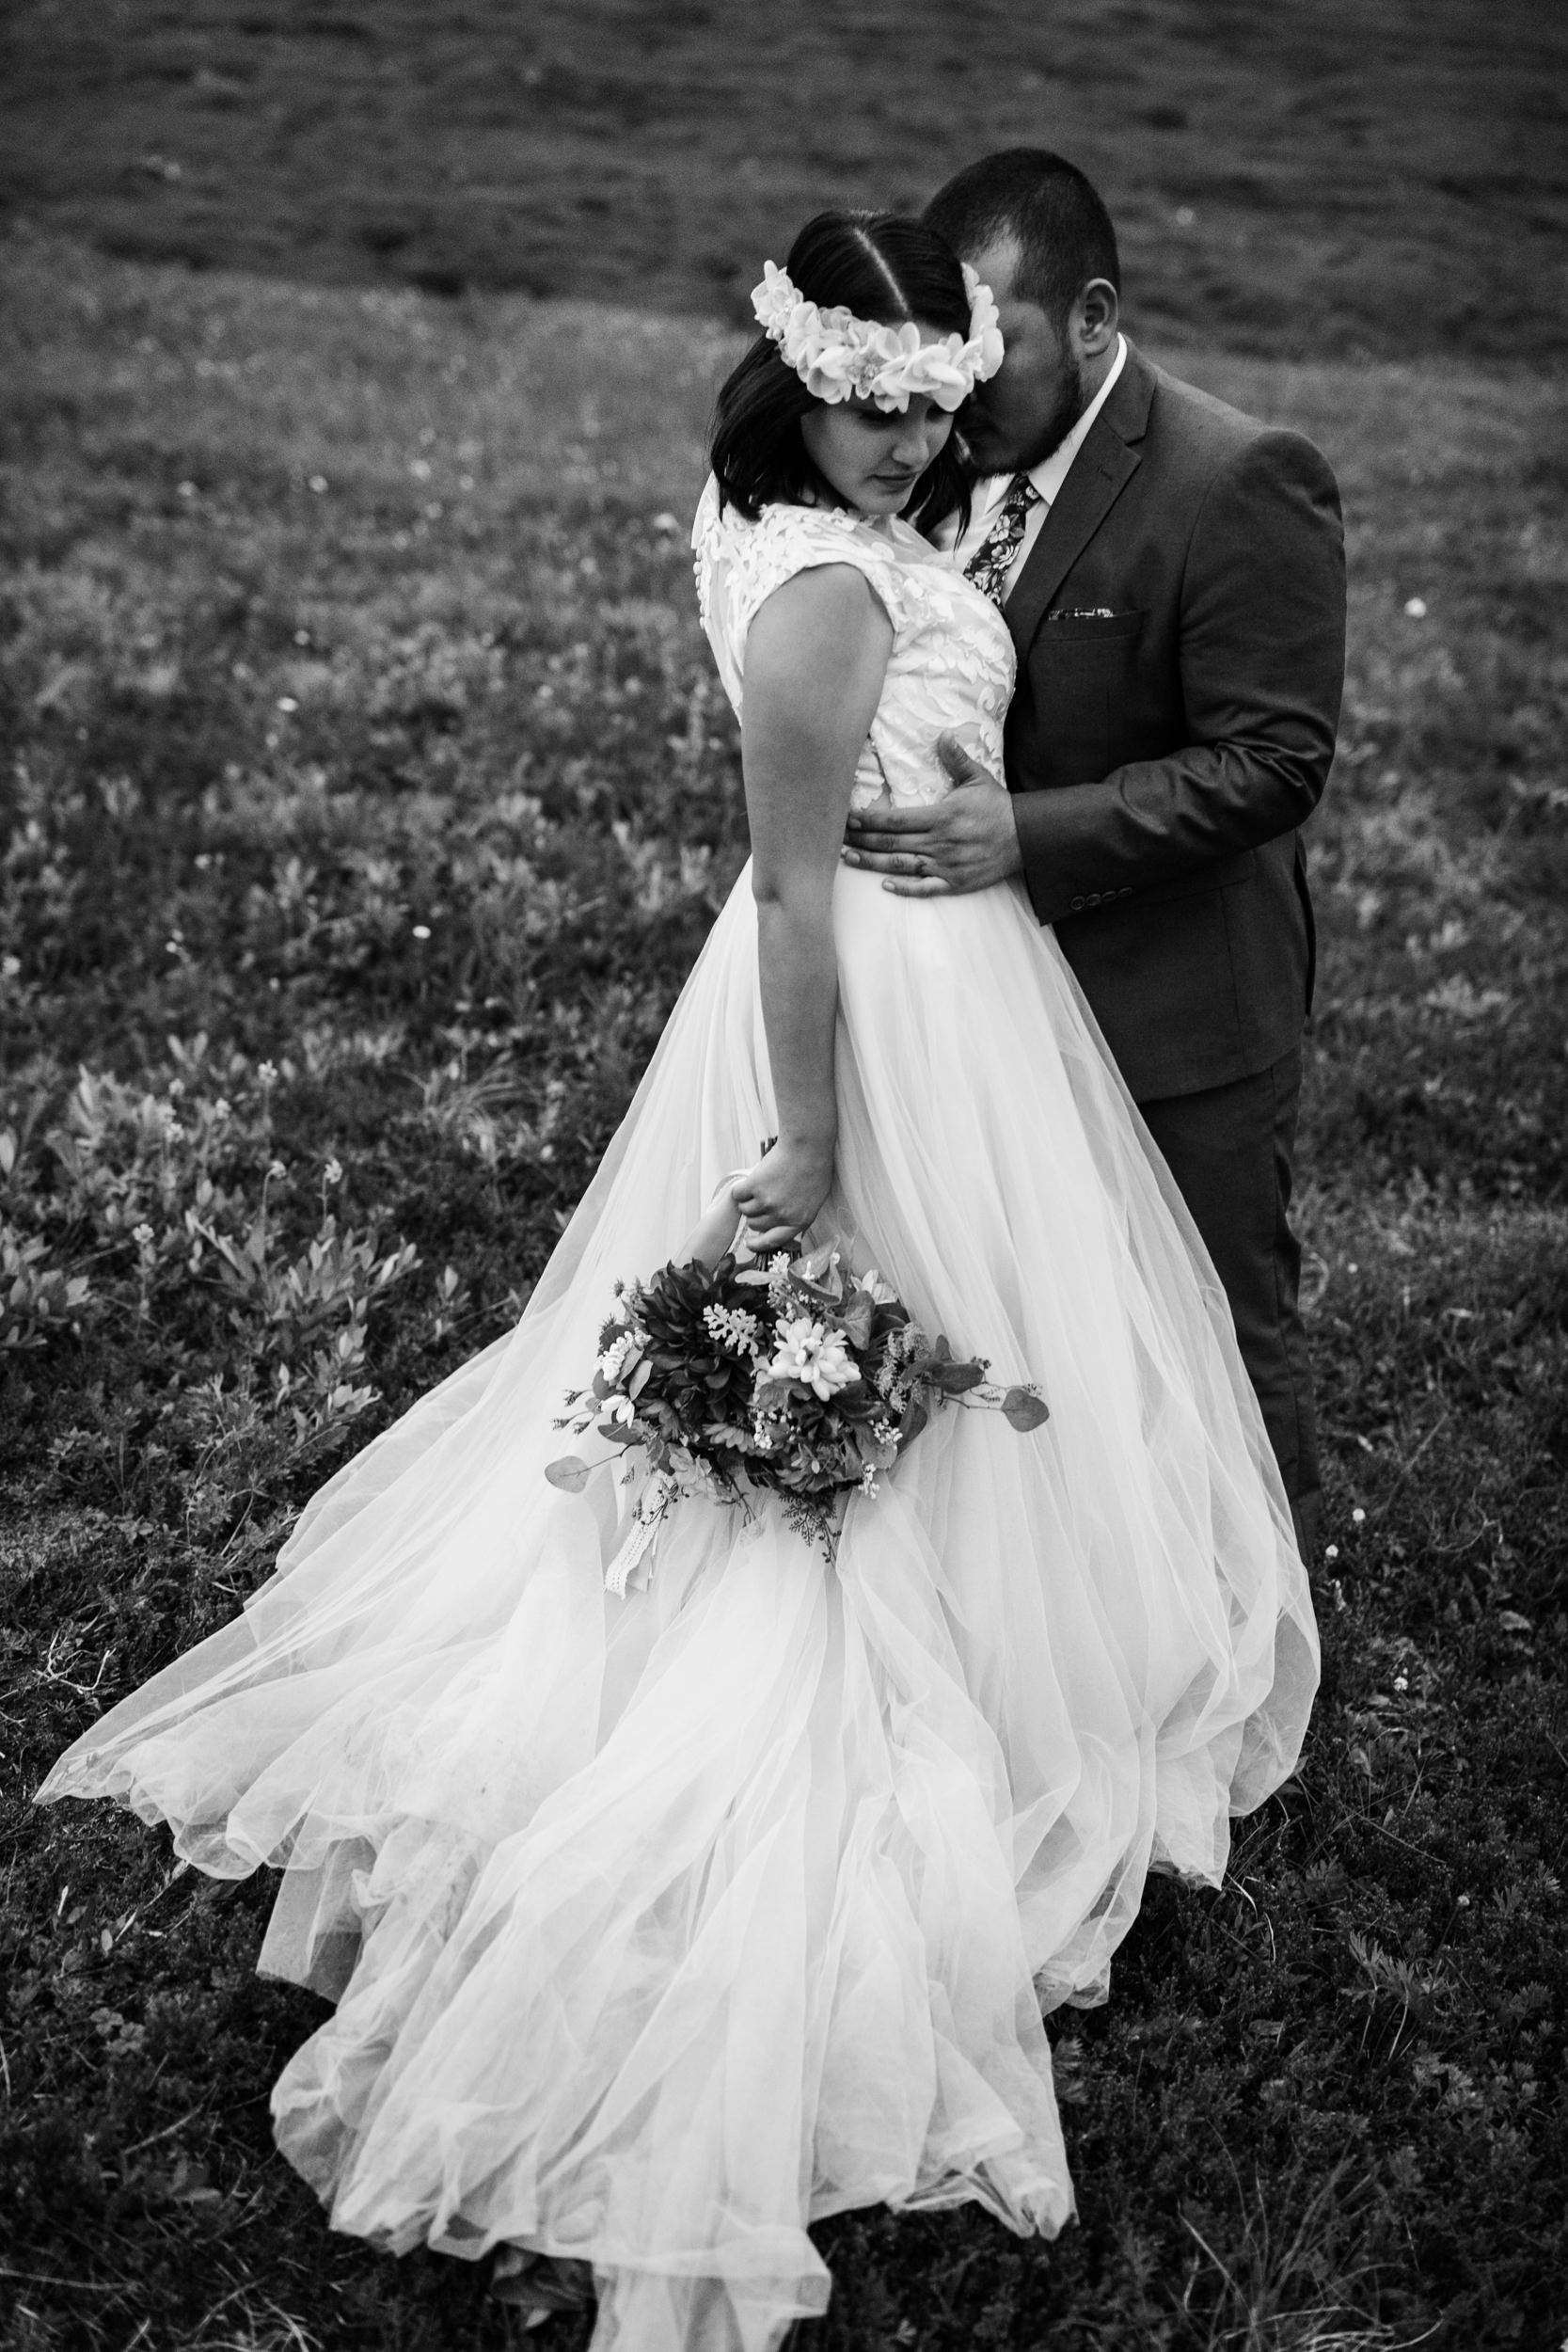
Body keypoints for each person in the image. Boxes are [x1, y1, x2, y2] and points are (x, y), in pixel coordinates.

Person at [38, 211, 1318, 2352]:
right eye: (865, 403)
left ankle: (982, 1640)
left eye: (927, 407)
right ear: (790, 382)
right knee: (867, 1365)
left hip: (958, 996)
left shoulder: (805, 525)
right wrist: (812, 1148)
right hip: (875, 1021)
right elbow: (803, 895)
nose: (904, 445)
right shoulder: (821, 583)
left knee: (966, 1355)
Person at [842, 151, 1346, 1559]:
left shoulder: (1240, 479)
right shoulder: (944, 460)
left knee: (1216, 1325)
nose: (951, 396)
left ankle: (1274, 1656)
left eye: (984, 358)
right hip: (984, 1012)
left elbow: (1273, 764)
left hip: (1175, 1004)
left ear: (1093, 318)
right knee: (1035, 1325)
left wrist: (1026, 835)